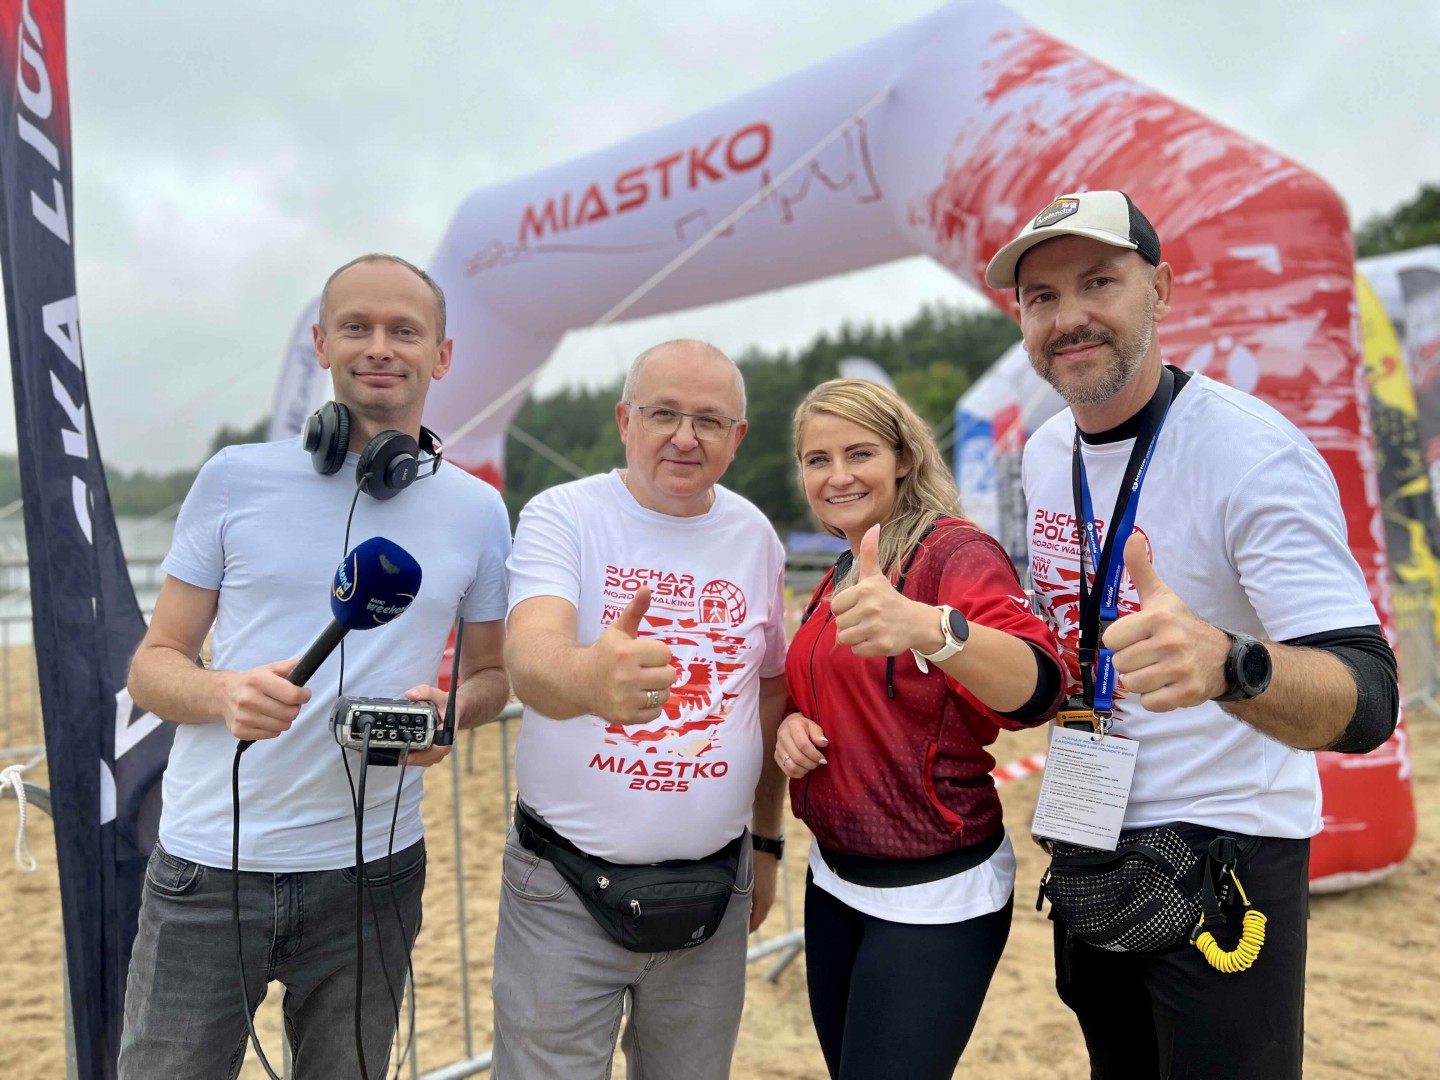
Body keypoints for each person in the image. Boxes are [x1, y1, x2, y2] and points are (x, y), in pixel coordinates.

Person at [984, 189, 1399, 1079]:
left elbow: (1370, 698)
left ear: (1161, 290)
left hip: (1228, 851)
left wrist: (1231, 665)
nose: (1069, 318)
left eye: (1099, 282)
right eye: (1042, 297)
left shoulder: (1252, 452)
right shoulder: (1047, 451)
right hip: (1093, 835)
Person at [119, 254, 512, 1079]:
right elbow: (154, 667)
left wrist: (450, 713)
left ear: (441, 355)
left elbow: (493, 676)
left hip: (374, 875)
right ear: (321, 343)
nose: (380, 346)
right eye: (357, 327)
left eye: (405, 330)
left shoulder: (477, 509)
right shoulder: (233, 479)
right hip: (207, 869)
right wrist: (223, 691)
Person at [495, 339, 788, 1080]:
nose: (685, 436)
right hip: (563, 886)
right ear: (625, 419)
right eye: (664, 413)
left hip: (715, 893)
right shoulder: (564, 515)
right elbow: (529, 658)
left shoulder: (755, 535)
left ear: (737, 438)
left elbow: (771, 687)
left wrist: (768, 840)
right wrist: (593, 679)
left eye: (709, 420)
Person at [775, 378, 1064, 1079]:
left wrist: (932, 629)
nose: (837, 475)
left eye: (858, 453)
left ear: (904, 457)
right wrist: (791, 725)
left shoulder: (952, 553)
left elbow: (1039, 687)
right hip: (835, 877)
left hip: (937, 893)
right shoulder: (842, 569)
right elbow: (838, 689)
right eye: (818, 460)